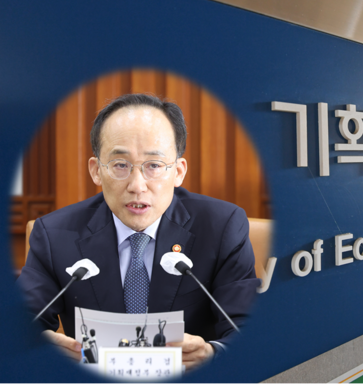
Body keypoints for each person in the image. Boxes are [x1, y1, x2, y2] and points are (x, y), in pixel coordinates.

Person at [17, 93, 260, 370]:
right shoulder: (54, 235)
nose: (137, 185)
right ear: (96, 170)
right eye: (120, 165)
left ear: (178, 171)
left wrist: (212, 353)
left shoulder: (222, 227)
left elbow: (248, 329)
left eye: (154, 165)